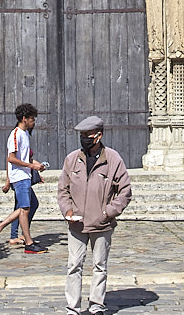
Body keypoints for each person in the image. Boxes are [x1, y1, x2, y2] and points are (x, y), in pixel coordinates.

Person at [58, 116, 133, 315]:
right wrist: (67, 210)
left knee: (100, 265)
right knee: (74, 265)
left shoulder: (113, 159)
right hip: (77, 224)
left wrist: (108, 212)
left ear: (98, 136)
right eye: (82, 136)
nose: (84, 139)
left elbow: (125, 191)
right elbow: (63, 190)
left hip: (102, 224)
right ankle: (72, 308)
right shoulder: (72, 159)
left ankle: (97, 305)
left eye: (87, 135)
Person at [0, 103, 48, 254]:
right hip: (19, 178)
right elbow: (11, 159)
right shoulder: (15, 135)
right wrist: (29, 167)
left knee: (31, 205)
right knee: (25, 209)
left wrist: (36, 165)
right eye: (32, 118)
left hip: (25, 175)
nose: (34, 121)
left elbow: (26, 157)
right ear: (24, 118)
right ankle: (28, 243)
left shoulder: (25, 134)